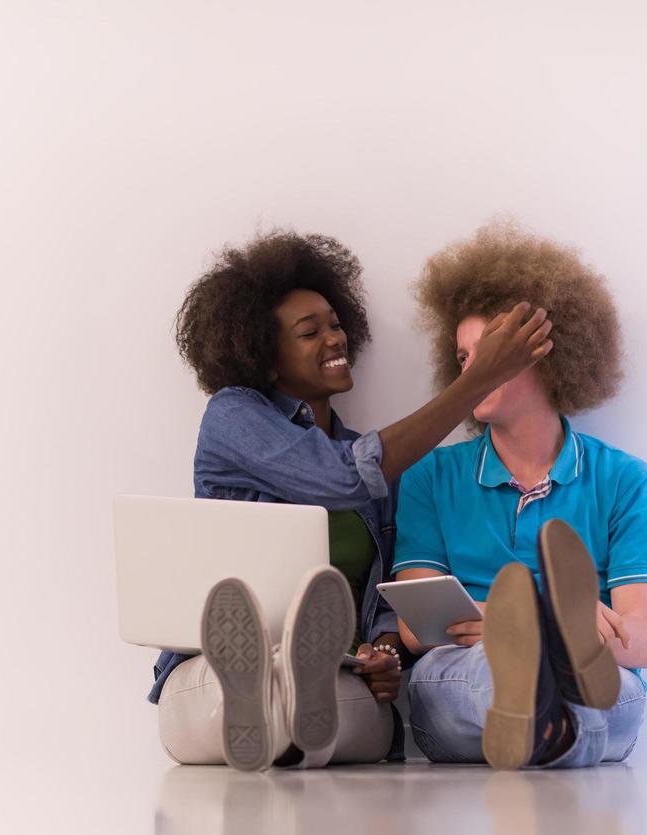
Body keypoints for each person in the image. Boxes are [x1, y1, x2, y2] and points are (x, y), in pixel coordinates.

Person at [151, 230, 554, 771]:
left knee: (367, 715)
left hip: (338, 674)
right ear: (265, 356)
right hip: (209, 675)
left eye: (336, 324)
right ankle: (270, 689)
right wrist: (478, 378)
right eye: (309, 331)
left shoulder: (375, 465)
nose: (335, 338)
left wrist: (385, 653)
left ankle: (290, 701)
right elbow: (342, 478)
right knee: (247, 688)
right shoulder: (234, 416)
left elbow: (386, 600)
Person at [394, 220, 647, 770]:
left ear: (548, 353)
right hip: (464, 677)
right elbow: (419, 628)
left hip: (598, 680)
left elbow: (640, 643)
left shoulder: (625, 481)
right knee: (480, 672)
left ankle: (544, 707)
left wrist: (503, 617)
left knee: (611, 691)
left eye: (491, 353)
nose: (472, 372)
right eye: (464, 358)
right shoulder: (430, 477)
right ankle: (549, 687)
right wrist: (530, 621)